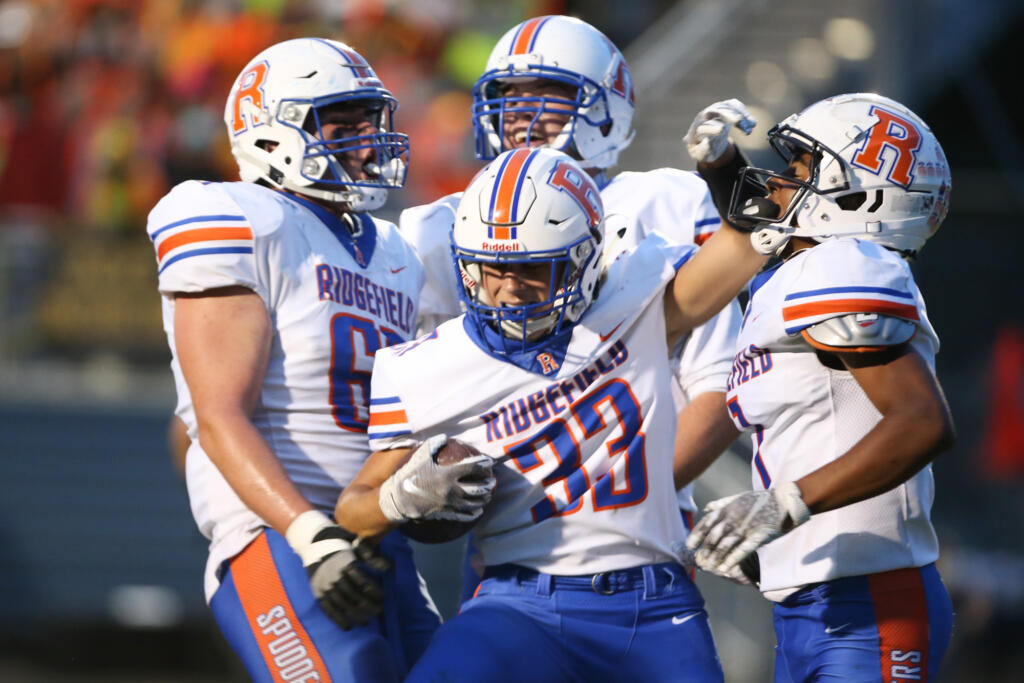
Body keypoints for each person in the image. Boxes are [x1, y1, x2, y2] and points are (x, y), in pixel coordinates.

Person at [335, 146, 770, 682]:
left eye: (533, 268)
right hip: (517, 606)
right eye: (491, 267)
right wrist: (401, 497)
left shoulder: (636, 303)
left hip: (653, 604)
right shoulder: (423, 369)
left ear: (587, 257)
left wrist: (726, 165)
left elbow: (752, 238)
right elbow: (352, 510)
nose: (509, 287)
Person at [399, 14, 744, 599]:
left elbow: (720, 388)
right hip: (505, 536)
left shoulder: (664, 206)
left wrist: (624, 505)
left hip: (634, 540)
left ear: (610, 108)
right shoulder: (441, 225)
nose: (522, 116)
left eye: (549, 96)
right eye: (509, 98)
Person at [146, 38, 452, 681]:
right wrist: (309, 534)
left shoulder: (398, 254)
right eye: (343, 125)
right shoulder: (239, 217)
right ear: (271, 134)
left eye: (371, 123)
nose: (368, 142)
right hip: (280, 535)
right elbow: (217, 415)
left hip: (378, 534)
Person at [684, 93, 955, 681]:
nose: (780, 181)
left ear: (857, 197)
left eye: (801, 169)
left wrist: (783, 505)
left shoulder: (843, 264)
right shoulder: (800, 272)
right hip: (809, 608)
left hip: (869, 605)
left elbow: (921, 421)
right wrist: (721, 164)